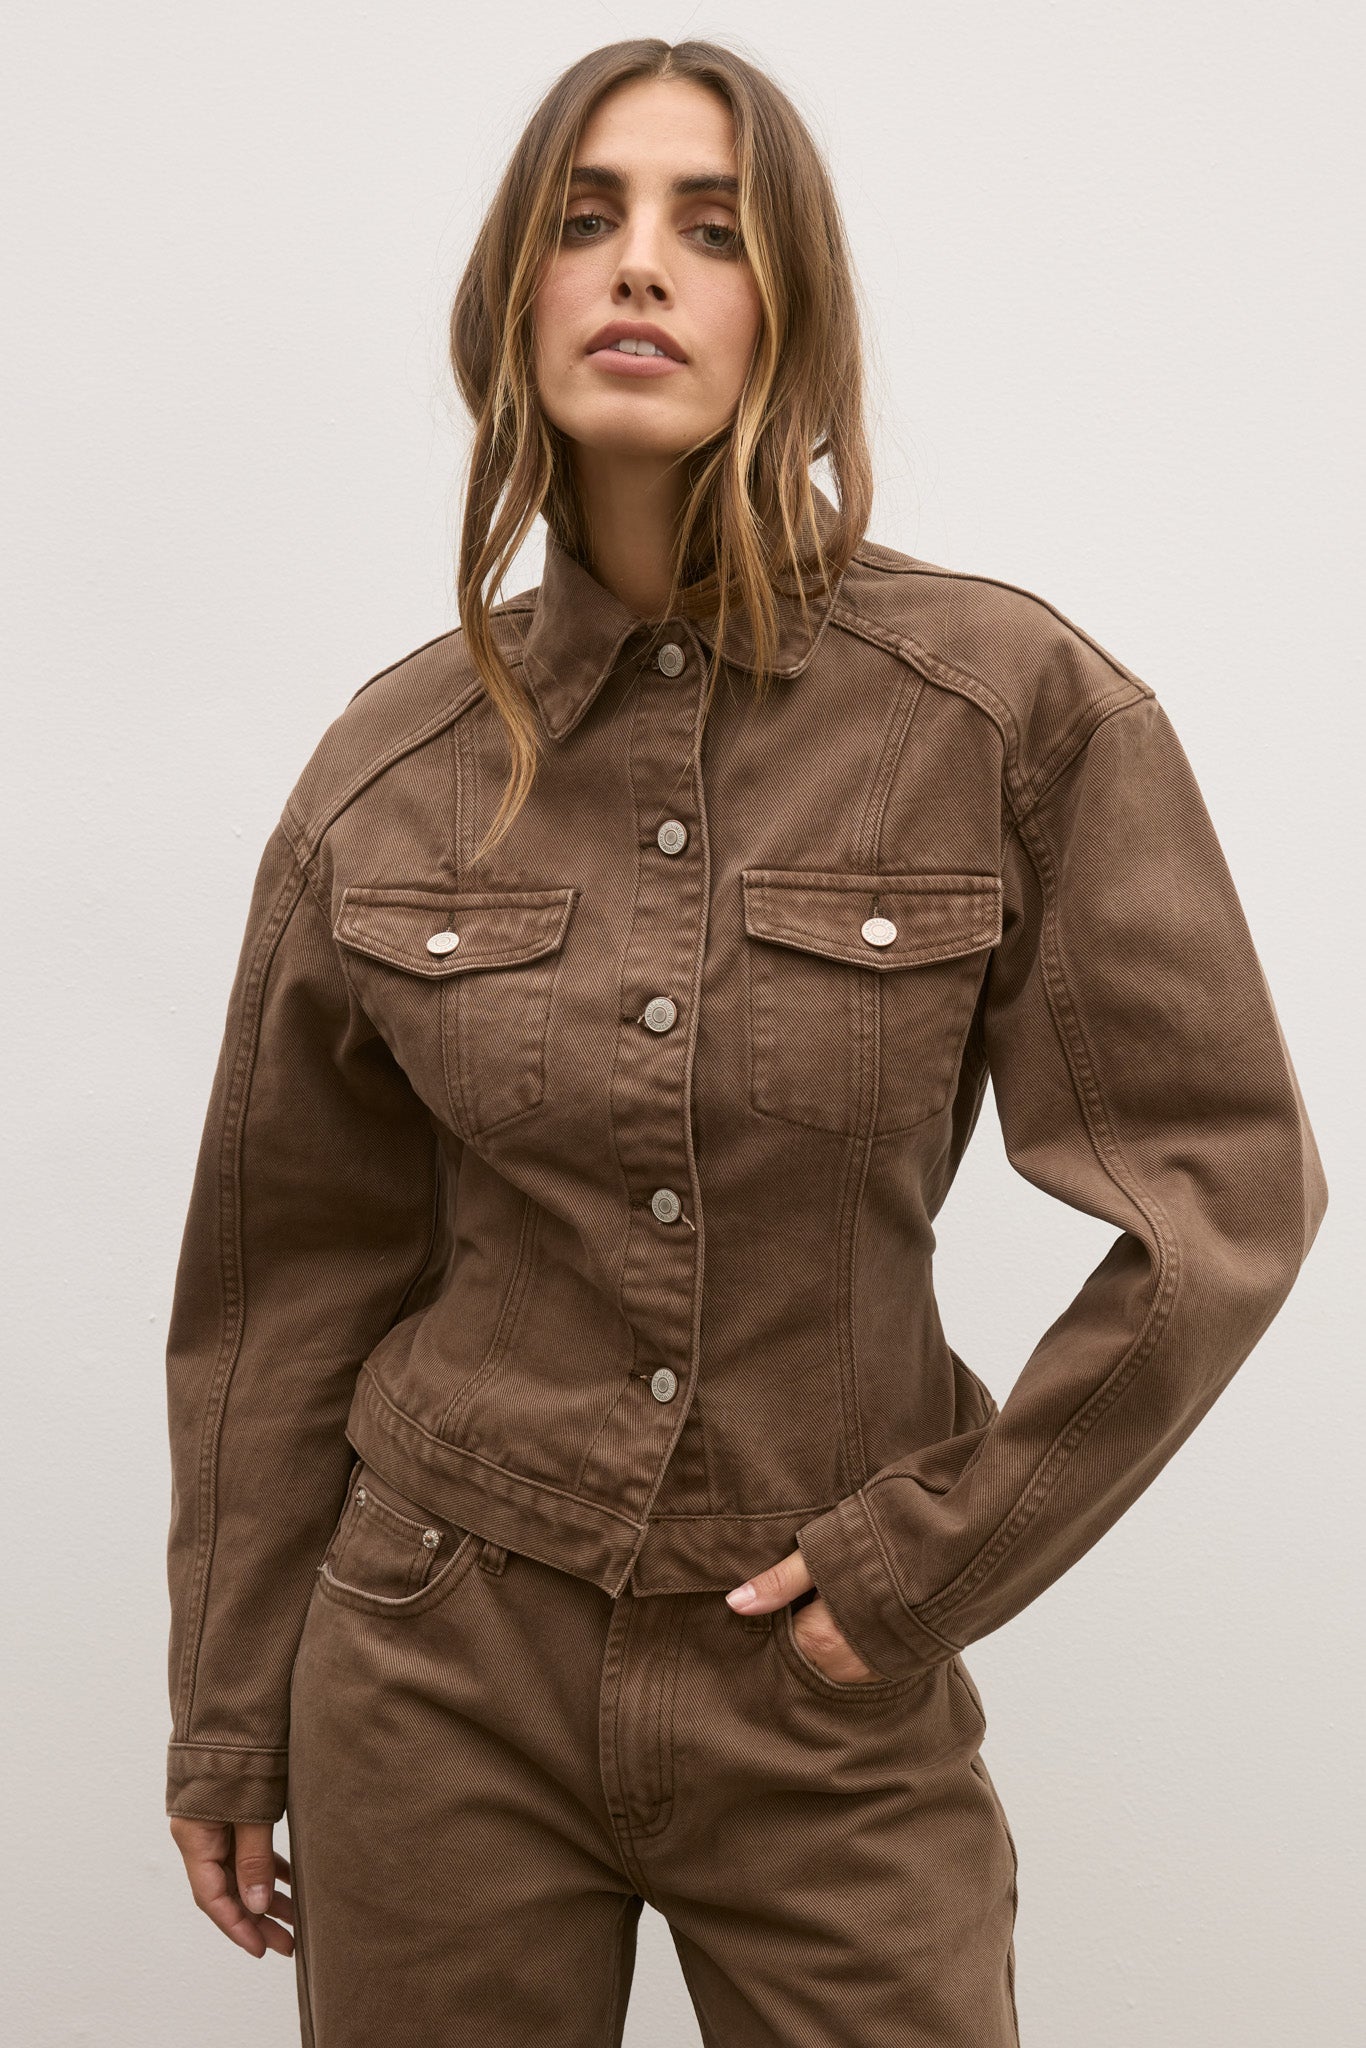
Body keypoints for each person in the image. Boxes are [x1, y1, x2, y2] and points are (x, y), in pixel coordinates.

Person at [162, 36, 1328, 2048]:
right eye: (585, 219)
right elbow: (284, 1282)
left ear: (793, 309)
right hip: (431, 1668)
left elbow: (1221, 1205)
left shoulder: (1002, 712)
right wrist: (224, 1711)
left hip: (820, 1685)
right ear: (511, 296)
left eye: (710, 229)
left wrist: (920, 1564)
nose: (638, 265)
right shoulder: (388, 768)